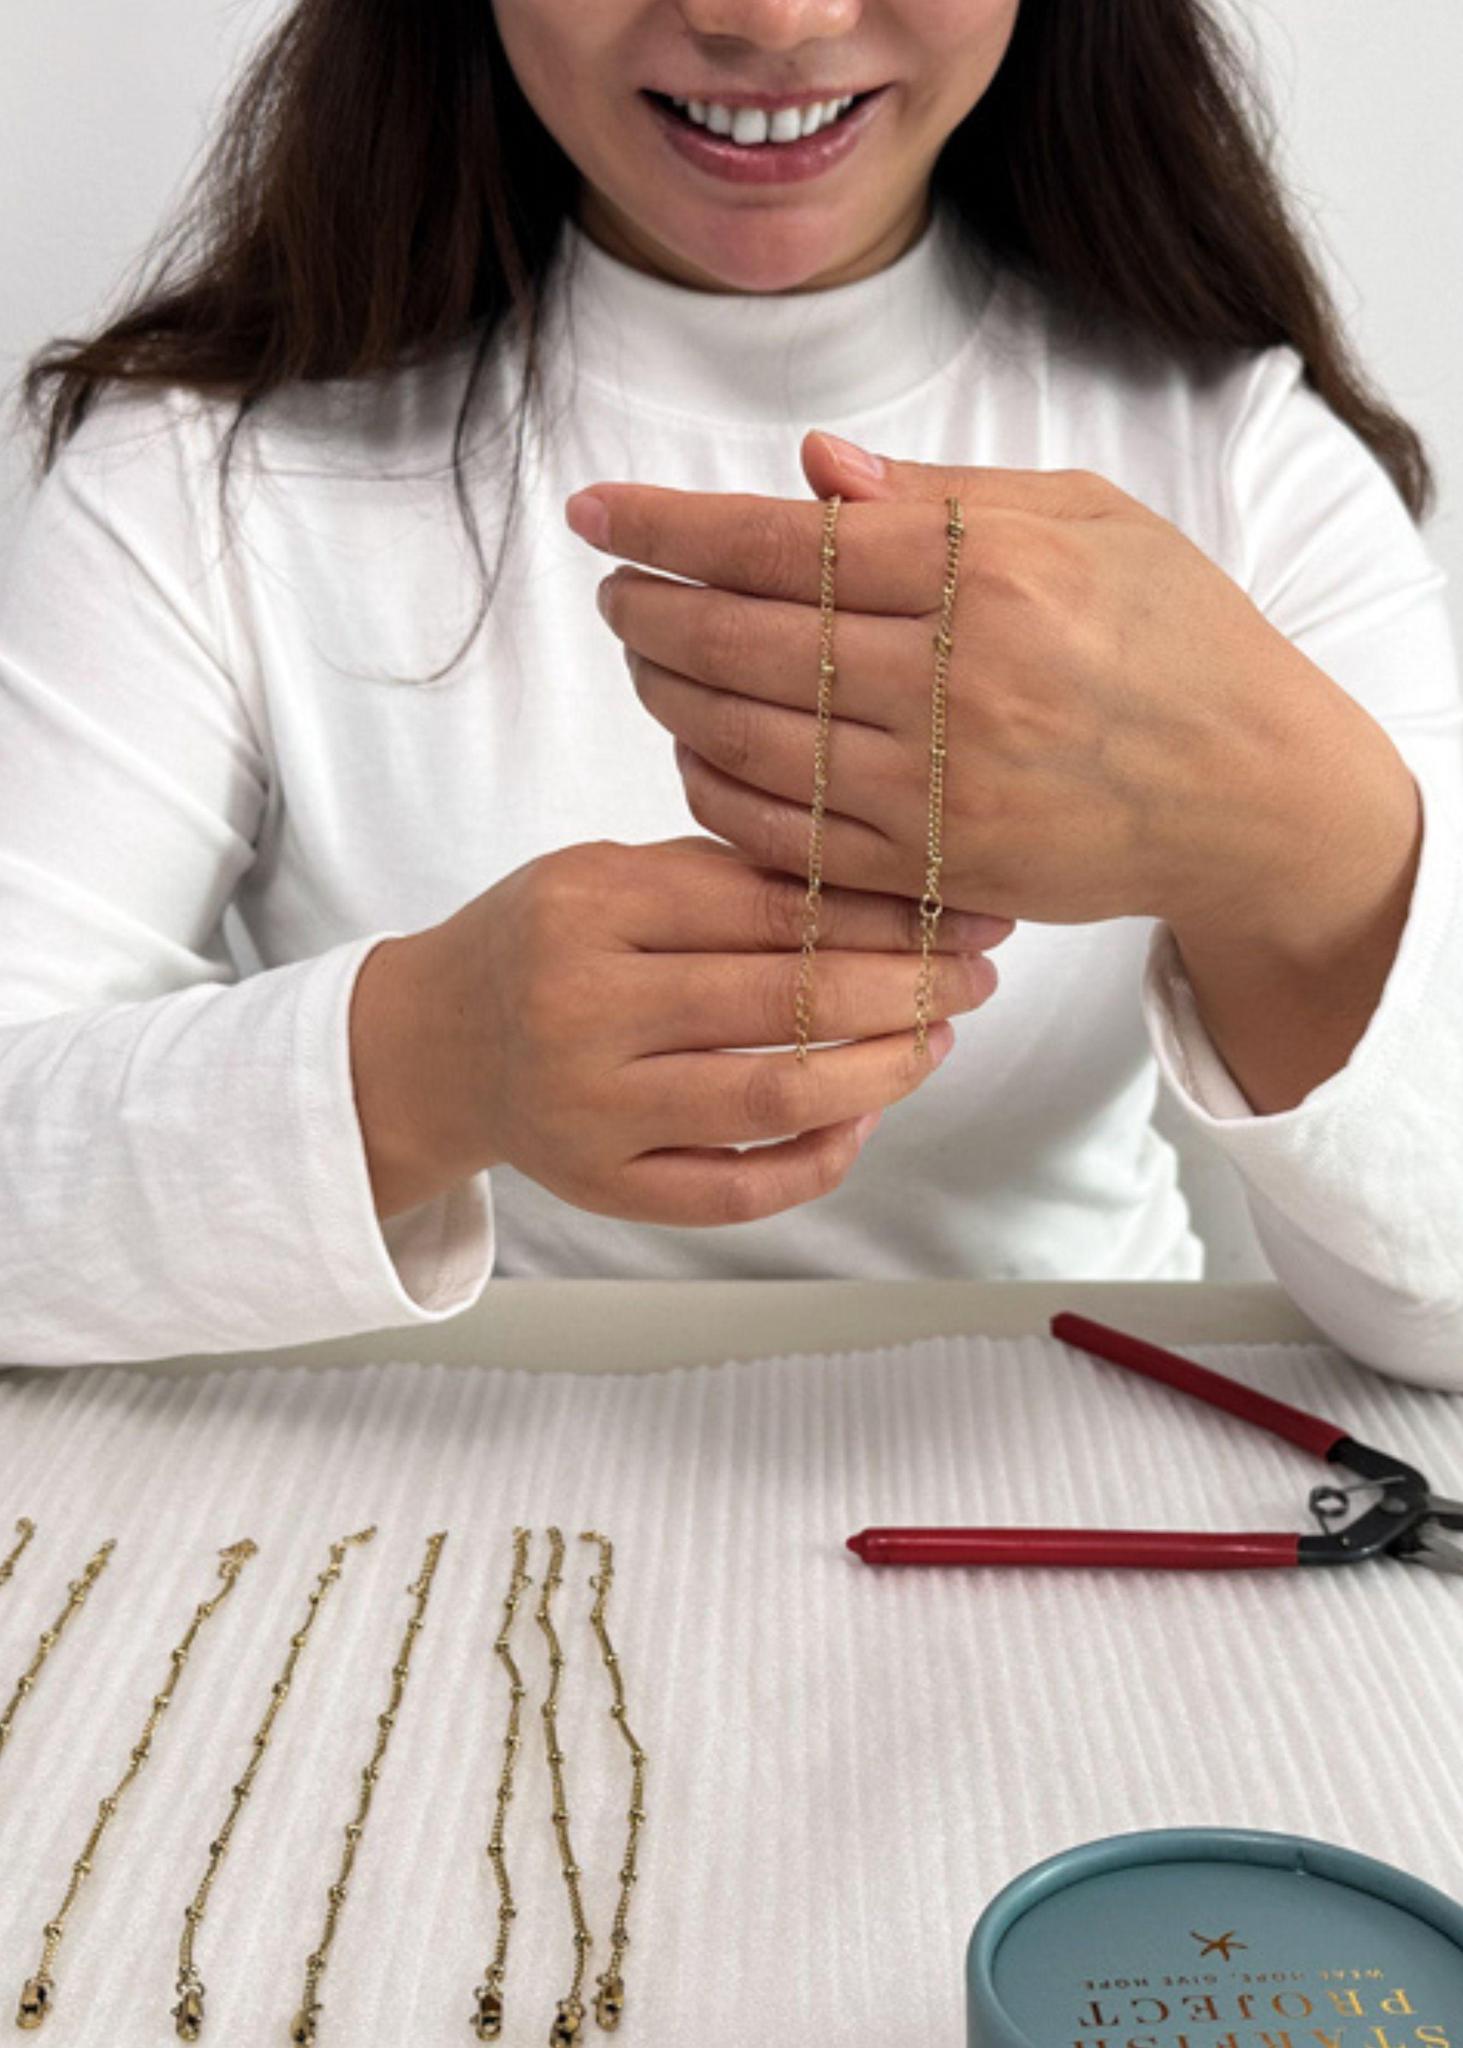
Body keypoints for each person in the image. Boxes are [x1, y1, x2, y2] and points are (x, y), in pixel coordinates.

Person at [1, 1, 1459, 1381]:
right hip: (450, 1493)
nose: (771, 18)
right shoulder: (198, 477)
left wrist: (1294, 842)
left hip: (1107, 1435)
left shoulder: (1250, 468)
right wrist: (427, 1056)